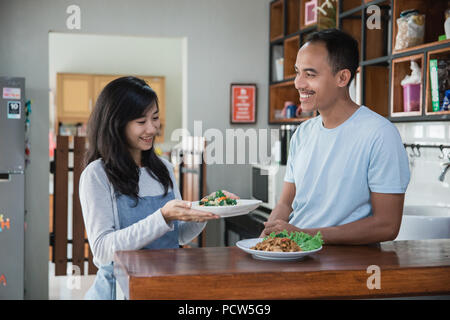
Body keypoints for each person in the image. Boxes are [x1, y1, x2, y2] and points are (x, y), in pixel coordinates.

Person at [261, 29, 410, 244]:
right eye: (297, 72)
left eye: (310, 74)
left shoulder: (380, 134)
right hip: (294, 256)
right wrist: (264, 242)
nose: (298, 83)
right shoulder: (302, 133)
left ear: (342, 77)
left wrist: (306, 236)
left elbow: (387, 225)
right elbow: (285, 205)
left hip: (347, 266)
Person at [79, 76, 222, 299]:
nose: (152, 128)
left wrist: (205, 210)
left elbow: (179, 237)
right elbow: (103, 249)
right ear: (116, 123)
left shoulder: (163, 168)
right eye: (141, 121)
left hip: (164, 287)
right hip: (119, 291)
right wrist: (162, 217)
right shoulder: (97, 174)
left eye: (154, 118)